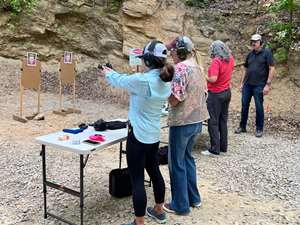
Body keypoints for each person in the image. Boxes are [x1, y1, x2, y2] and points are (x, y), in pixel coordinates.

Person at [99, 40, 174, 225]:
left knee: (137, 179)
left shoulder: (143, 80)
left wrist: (108, 72)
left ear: (148, 61)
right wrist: (113, 74)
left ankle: (139, 222)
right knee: (155, 172)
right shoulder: (166, 79)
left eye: (143, 59)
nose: (141, 62)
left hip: (138, 136)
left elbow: (119, 80)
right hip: (153, 136)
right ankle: (158, 210)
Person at [163, 36, 209, 215]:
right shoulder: (197, 67)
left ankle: (180, 205)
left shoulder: (180, 69)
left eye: (172, 52)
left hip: (182, 122)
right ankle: (194, 198)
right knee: (188, 159)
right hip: (197, 120)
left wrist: (164, 93)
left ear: (179, 52)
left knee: (176, 162)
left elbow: (175, 99)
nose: (171, 55)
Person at [235, 34, 275, 137]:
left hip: (259, 85)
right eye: (252, 41)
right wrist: (242, 83)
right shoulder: (250, 54)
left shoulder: (267, 53)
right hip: (248, 85)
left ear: (260, 43)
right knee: (244, 105)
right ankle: (242, 126)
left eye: (256, 41)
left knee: (259, 107)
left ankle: (259, 128)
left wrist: (268, 85)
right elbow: (246, 69)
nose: (253, 43)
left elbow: (272, 68)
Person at [201, 40, 234, 156]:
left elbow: (213, 79)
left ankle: (215, 148)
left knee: (213, 121)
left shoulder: (216, 61)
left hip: (216, 94)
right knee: (223, 120)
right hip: (226, 92)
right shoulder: (230, 58)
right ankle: (223, 146)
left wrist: (204, 74)